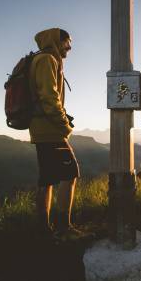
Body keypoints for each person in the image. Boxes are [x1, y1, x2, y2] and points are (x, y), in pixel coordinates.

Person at [29, 28, 80, 235]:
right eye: (67, 43)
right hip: (50, 129)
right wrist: (64, 126)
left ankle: (44, 229)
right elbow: (49, 98)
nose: (69, 47)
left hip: (41, 128)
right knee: (71, 173)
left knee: (47, 179)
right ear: (56, 42)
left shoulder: (41, 59)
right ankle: (64, 227)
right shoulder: (48, 60)